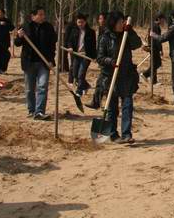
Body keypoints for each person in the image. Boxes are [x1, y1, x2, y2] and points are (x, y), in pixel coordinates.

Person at [95, 11, 142, 143]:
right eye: (120, 22)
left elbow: (136, 44)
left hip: (126, 75)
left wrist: (130, 31)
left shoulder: (126, 35)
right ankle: (113, 134)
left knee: (127, 105)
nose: (122, 24)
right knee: (112, 108)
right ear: (113, 23)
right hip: (110, 76)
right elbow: (99, 58)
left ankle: (127, 134)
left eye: (123, 22)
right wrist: (111, 61)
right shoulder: (105, 38)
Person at [14, 6, 57, 120]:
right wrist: (19, 36)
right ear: (33, 16)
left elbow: (52, 45)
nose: (43, 16)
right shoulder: (25, 27)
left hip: (44, 62)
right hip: (29, 62)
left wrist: (51, 60)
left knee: (42, 86)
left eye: (43, 14)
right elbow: (17, 43)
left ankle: (39, 112)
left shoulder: (48, 27)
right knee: (29, 89)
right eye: (40, 14)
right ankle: (31, 110)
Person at [65, 13, 97, 96]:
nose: (80, 24)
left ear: (85, 22)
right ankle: (86, 85)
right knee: (75, 73)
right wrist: (70, 47)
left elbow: (93, 45)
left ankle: (79, 91)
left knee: (81, 73)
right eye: (78, 22)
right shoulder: (74, 31)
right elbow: (70, 41)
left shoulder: (91, 32)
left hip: (86, 56)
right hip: (76, 55)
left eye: (82, 22)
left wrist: (94, 57)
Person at [142, 12, 166, 85]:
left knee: (154, 64)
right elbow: (157, 39)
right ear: (158, 19)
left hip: (152, 47)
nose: (163, 21)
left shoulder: (153, 25)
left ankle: (154, 81)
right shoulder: (156, 27)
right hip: (154, 47)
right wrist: (160, 50)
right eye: (163, 19)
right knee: (157, 64)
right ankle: (145, 74)